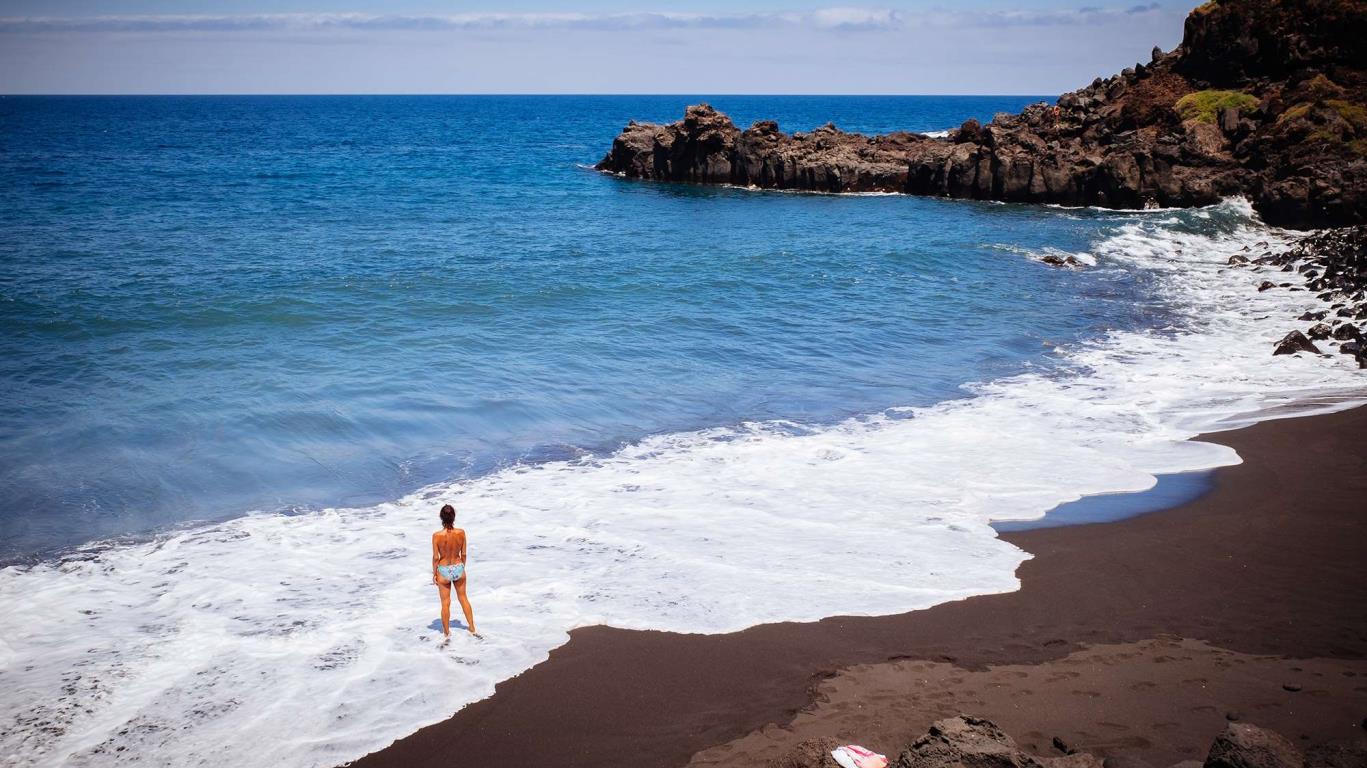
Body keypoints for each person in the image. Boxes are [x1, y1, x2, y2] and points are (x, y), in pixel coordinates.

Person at [432, 504, 476, 637]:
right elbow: (464, 554)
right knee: (463, 598)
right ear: (454, 517)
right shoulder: (461, 533)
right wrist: (462, 567)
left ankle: (446, 633)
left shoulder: (436, 536)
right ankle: (472, 628)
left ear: (441, 517)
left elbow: (435, 557)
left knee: (445, 603)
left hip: (444, 569)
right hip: (458, 567)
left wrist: (435, 573)